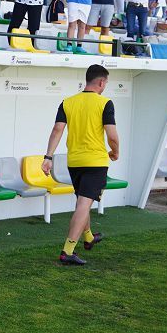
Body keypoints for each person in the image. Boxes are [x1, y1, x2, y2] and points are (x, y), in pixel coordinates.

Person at [42, 64, 119, 266]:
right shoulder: (105, 103)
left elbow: (57, 130)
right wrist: (115, 152)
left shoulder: (68, 102)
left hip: (74, 162)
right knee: (84, 205)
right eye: (106, 83)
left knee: (82, 203)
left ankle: (88, 237)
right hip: (95, 162)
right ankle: (67, 251)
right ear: (101, 82)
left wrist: (48, 157)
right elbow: (112, 136)